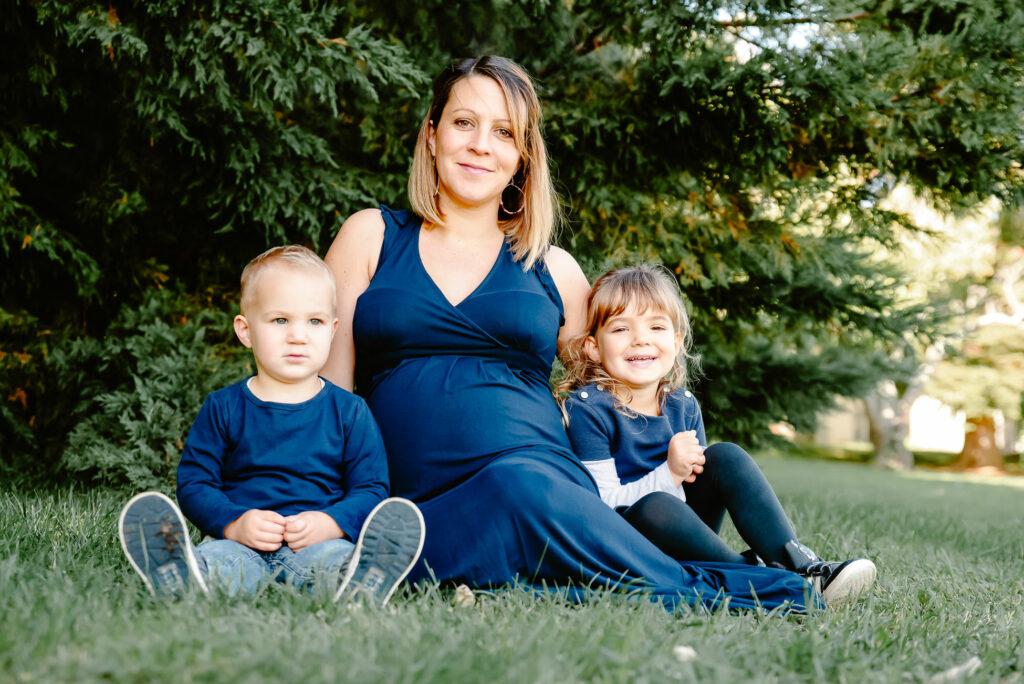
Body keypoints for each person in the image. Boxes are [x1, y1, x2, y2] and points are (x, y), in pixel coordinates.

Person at [323, 56, 821, 612]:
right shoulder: (371, 236)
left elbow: (620, 380)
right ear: (432, 135)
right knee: (490, 519)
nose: (481, 144)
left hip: (534, 475)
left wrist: (664, 467)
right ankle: (738, 585)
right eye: (464, 123)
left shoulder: (550, 266)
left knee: (519, 485)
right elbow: (328, 395)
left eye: (504, 132)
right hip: (413, 496)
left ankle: (760, 590)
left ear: (522, 157)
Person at [118, 245, 425, 605]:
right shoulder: (223, 407)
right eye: (280, 320)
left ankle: (359, 581)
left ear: (332, 330)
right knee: (220, 564)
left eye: (315, 321)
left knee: (334, 564)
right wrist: (234, 522)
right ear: (245, 331)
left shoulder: (350, 412)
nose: (298, 335)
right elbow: (195, 483)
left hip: (318, 544)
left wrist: (331, 523)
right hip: (236, 543)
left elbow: (371, 488)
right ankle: (185, 576)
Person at [557, 263, 877, 606]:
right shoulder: (588, 408)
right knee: (657, 506)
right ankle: (756, 576)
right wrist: (668, 474)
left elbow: (697, 493)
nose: (641, 338)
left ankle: (802, 567)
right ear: (593, 347)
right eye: (621, 328)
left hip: (686, 535)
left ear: (676, 342)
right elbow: (602, 507)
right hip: (628, 544)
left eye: (656, 326)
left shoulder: (682, 405)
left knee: (725, 455)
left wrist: (680, 476)